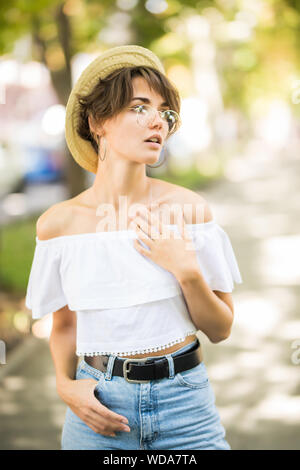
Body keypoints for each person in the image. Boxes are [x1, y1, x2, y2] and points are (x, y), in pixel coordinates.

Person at [25, 45, 243, 450]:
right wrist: (64, 385)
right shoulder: (58, 225)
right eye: (140, 107)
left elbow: (220, 328)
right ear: (96, 121)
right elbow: (65, 326)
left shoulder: (188, 209)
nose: (158, 121)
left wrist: (188, 272)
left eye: (164, 112)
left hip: (186, 407)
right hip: (97, 411)